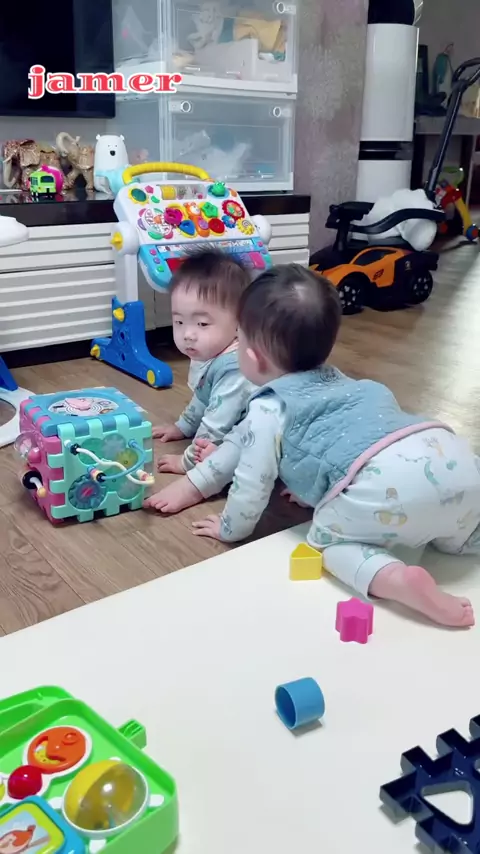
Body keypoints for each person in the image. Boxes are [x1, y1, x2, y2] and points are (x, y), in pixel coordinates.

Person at [150, 264, 480, 628]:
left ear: (253, 356)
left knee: (330, 546)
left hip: (388, 489)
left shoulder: (269, 407)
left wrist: (231, 528)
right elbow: (342, 445)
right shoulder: (349, 384)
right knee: (459, 532)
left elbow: (251, 482)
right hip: (451, 457)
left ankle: (394, 579)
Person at [144, 250, 255, 509]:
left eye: (202, 324)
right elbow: (203, 396)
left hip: (265, 436)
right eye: (179, 321)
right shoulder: (212, 351)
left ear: (240, 322)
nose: (188, 334)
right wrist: (182, 427)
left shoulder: (236, 368)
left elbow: (215, 424)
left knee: (237, 453)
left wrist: (187, 461)